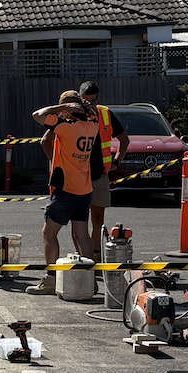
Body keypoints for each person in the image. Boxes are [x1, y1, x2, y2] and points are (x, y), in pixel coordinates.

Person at [28, 89, 99, 294]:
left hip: (66, 189)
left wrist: (62, 108)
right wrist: (82, 107)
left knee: (48, 233)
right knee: (82, 235)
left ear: (68, 110)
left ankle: (51, 279)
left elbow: (37, 115)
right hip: (84, 189)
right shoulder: (92, 125)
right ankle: (89, 280)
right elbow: (47, 138)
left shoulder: (66, 128)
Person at [79, 79, 130, 260]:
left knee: (97, 220)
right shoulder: (73, 114)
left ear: (98, 98)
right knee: (78, 222)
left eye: (92, 101)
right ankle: (81, 259)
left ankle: (95, 258)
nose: (88, 105)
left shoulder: (105, 114)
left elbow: (124, 140)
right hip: (77, 176)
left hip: (99, 175)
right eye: (85, 101)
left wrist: (117, 162)